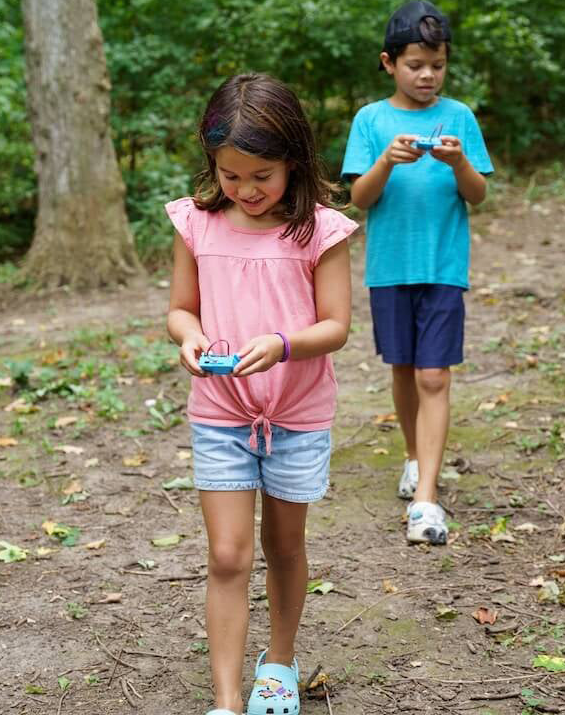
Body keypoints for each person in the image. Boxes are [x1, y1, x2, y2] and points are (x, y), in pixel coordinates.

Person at [166, 72, 358, 715]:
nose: (245, 190)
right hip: (220, 414)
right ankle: (225, 699)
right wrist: (190, 338)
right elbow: (180, 309)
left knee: (283, 547)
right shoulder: (196, 224)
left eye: (261, 176)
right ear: (212, 166)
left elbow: (335, 326)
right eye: (230, 175)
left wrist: (281, 343)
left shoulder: (320, 231)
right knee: (227, 554)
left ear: (294, 163)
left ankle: (278, 662)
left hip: (296, 417)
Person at [341, 0, 493, 546]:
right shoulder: (370, 120)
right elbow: (359, 199)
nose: (427, 75)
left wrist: (458, 163)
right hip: (389, 268)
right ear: (389, 63)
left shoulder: (459, 118)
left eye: (438, 64)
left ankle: (427, 498)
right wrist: (386, 160)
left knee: (435, 374)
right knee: (404, 369)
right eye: (415, 65)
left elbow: (477, 194)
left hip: (443, 265)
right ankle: (412, 457)